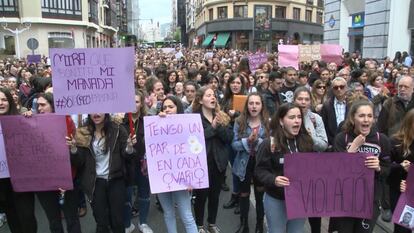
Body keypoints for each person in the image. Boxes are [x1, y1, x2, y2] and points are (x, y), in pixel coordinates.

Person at [69, 113, 136, 233]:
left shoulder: (118, 130)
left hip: (116, 179)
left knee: (117, 221)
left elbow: (127, 156)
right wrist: (73, 149)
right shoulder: (82, 133)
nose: (96, 113)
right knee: (101, 222)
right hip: (95, 182)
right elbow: (79, 162)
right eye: (92, 110)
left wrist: (129, 147)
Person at [332, 100, 391, 233]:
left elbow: (388, 169)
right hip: (344, 199)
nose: (366, 120)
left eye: (369, 116)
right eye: (361, 116)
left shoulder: (382, 140)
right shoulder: (342, 138)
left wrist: (379, 167)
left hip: (370, 199)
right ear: (353, 118)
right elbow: (335, 170)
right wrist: (352, 149)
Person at [255, 103, 314, 233]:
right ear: (281, 121)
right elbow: (259, 171)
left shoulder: (307, 141)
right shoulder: (269, 144)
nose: (297, 120)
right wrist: (274, 179)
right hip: (276, 199)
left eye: (299, 117)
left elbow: (314, 167)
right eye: (292, 117)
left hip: (300, 199)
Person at [192, 86, 233, 233]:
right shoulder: (194, 118)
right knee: (201, 197)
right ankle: (199, 225)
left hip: (218, 163)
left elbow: (229, 138)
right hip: (201, 164)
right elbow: (194, 140)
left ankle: (212, 223)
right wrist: (212, 128)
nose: (213, 98)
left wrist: (219, 125)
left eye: (214, 95)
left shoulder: (222, 116)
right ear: (200, 100)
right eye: (208, 95)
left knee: (214, 196)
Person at [157, 96, 198, 233]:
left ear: (178, 108)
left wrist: (191, 177)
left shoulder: (187, 125)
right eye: (164, 107)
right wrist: (157, 123)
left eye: (171, 107)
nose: (167, 110)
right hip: (163, 175)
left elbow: (193, 152)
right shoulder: (156, 125)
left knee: (187, 216)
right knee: (168, 214)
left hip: (182, 177)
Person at [0, 87, 37, 233]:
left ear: (9, 101)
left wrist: (31, 120)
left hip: (22, 179)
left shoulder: (21, 120)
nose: (0, 103)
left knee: (27, 217)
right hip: (2, 182)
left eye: (3, 99)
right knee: (12, 217)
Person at [232, 93, 269, 233]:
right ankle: (244, 224)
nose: (254, 106)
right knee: (244, 195)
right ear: (247, 105)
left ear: (262, 105)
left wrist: (257, 141)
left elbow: (270, 145)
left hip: (261, 164)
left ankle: (259, 225)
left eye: (257, 103)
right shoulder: (239, 121)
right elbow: (234, 145)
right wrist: (247, 141)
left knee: (260, 196)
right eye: (251, 103)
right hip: (243, 164)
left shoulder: (267, 122)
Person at [122, 90, 153, 233]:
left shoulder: (149, 121)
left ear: (141, 104)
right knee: (126, 195)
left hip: (143, 164)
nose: (133, 105)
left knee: (144, 193)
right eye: (131, 101)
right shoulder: (120, 121)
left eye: (136, 101)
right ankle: (127, 223)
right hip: (126, 164)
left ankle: (143, 222)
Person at [390, 109, 414, 233]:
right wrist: (400, 167)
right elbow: (385, 168)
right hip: (400, 193)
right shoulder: (395, 143)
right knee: (403, 229)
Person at [321, 77, 348, 148]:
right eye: (336, 87)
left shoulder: (352, 104)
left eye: (341, 87)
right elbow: (324, 126)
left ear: (346, 88)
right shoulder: (326, 105)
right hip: (332, 143)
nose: (339, 89)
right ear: (332, 89)